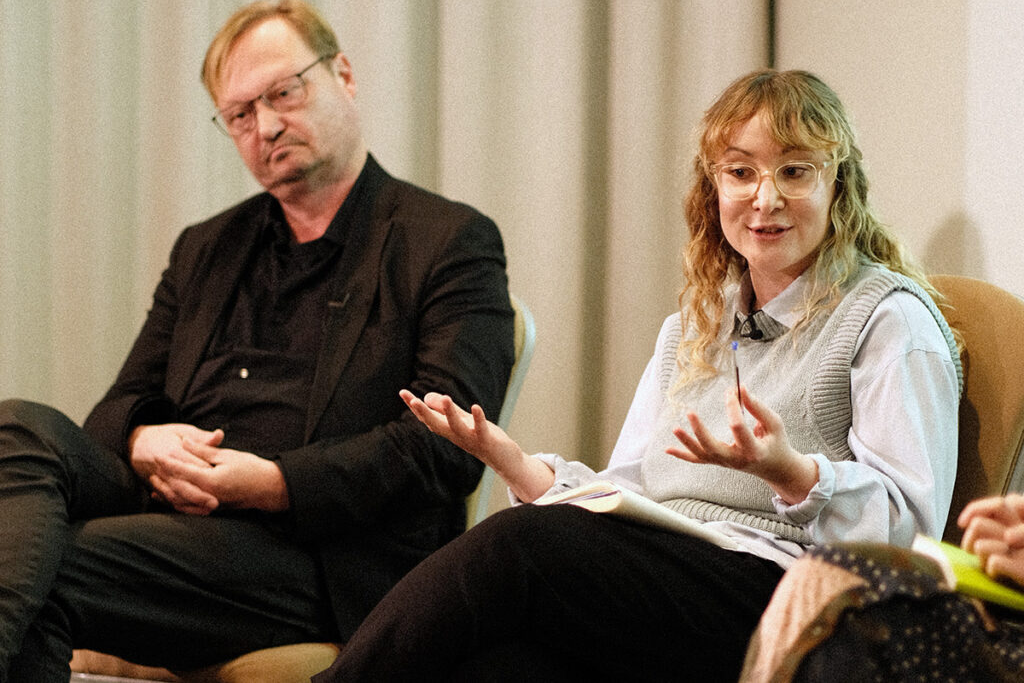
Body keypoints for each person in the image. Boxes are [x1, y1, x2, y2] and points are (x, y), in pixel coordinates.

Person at [313, 69, 963, 683]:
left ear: (839, 185)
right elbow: (624, 494)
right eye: (741, 172)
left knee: (518, 546)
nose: (765, 198)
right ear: (713, 189)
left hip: (791, 595)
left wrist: (791, 471)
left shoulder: (889, 319)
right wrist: (515, 464)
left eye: (795, 171)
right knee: (492, 665)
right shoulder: (692, 328)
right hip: (668, 579)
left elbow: (909, 535)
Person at [0, 0, 513, 682]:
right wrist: (142, 440)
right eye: (240, 114)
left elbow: (447, 449)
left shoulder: (445, 240)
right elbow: (119, 405)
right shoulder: (205, 248)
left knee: (40, 562)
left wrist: (274, 485)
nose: (266, 126)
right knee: (18, 427)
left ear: (344, 76)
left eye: (283, 93)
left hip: (317, 552)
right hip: (170, 515)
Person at [739, 495, 1024, 682]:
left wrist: (800, 480)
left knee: (842, 583)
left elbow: (901, 525)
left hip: (770, 553)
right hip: (726, 537)